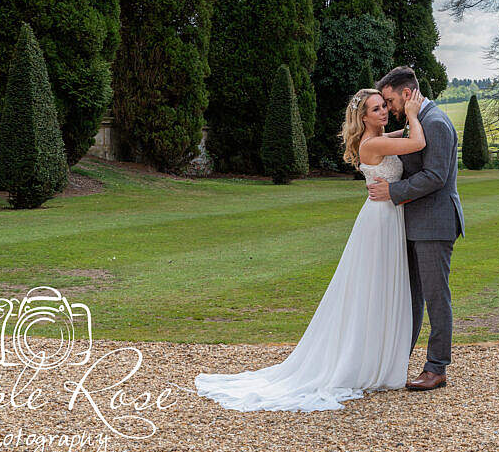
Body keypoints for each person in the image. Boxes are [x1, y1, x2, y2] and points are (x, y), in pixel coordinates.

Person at [194, 87, 427, 411]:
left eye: (383, 107)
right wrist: (415, 115)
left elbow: (403, 135)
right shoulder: (372, 143)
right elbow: (416, 142)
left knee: (380, 287)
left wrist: (412, 120)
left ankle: (377, 357)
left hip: (388, 215)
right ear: (363, 117)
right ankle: (362, 360)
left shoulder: (380, 137)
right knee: (372, 287)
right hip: (380, 220)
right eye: (376, 109)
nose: (384, 112)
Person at [369, 66, 464, 391]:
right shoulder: (418, 122)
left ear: (407, 94)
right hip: (413, 225)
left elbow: (435, 176)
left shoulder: (435, 123)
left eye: (390, 100)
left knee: (436, 298)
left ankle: (436, 368)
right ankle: (399, 362)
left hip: (435, 224)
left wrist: (392, 192)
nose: (389, 107)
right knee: (410, 298)